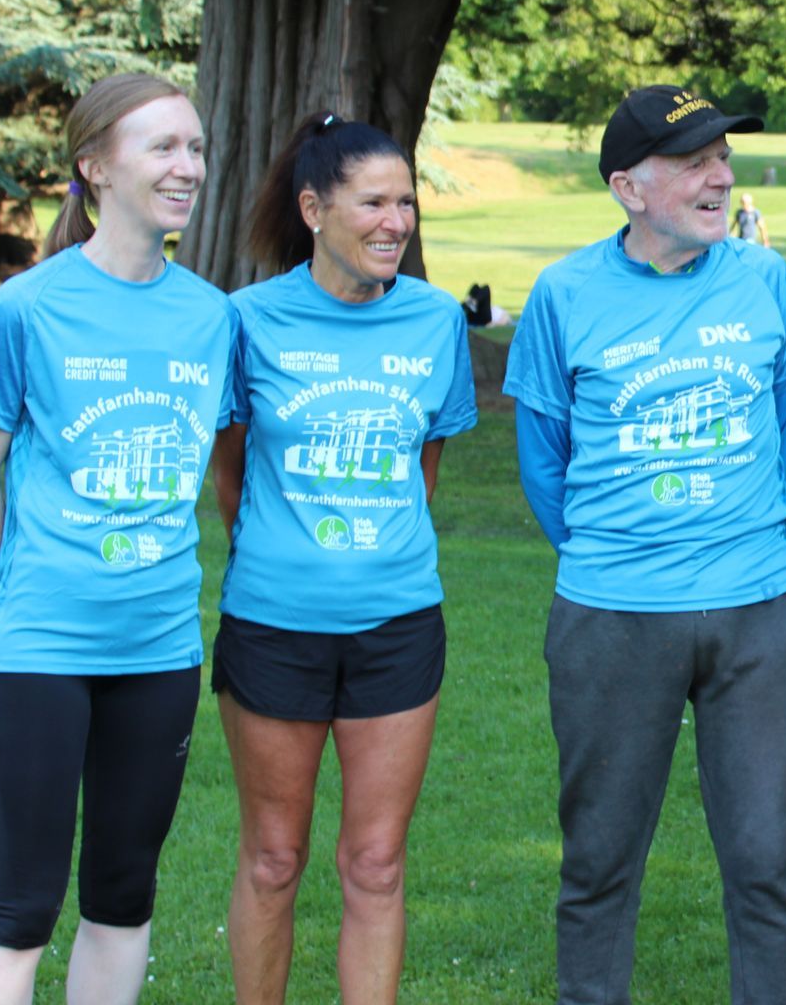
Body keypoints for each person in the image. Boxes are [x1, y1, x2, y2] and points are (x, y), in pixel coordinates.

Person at [504, 85, 786, 1005]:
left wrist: (743, 531)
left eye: (721, 157)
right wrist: (621, 555)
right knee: (599, 858)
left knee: (767, 862)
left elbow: (783, 418)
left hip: (762, 609)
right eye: (693, 162)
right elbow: (543, 461)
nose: (719, 176)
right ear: (628, 188)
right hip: (613, 615)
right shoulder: (565, 292)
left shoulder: (762, 278)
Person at [0, 74, 235, 1002]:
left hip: (157, 648)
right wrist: (7, 607)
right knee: (19, 905)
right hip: (39, 645)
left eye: (194, 147)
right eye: (162, 147)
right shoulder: (28, 307)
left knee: (123, 894)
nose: (187, 167)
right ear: (94, 166)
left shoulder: (209, 316)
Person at [210, 113, 477, 1005]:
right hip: (272, 628)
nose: (395, 221)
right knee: (273, 859)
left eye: (405, 203)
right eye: (374, 203)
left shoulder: (437, 320)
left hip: (397, 629)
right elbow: (232, 467)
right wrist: (292, 554)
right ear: (316, 208)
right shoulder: (247, 321)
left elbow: (422, 469)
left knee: (375, 861)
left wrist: (369, 549)